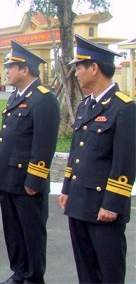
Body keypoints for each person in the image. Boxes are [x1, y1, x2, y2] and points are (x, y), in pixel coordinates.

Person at [58, 34, 135, 284]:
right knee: (86, 271)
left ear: (94, 68)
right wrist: (67, 188)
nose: (76, 73)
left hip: (104, 207)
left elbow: (126, 161)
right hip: (79, 202)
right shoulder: (85, 106)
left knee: (109, 273)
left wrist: (112, 204)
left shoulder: (124, 108)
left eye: (79, 68)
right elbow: (77, 153)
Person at [0, 40, 60, 284]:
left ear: (25, 70)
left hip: (26, 181)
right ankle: (19, 273)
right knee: (13, 232)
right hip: (8, 178)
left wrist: (35, 180)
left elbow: (44, 144)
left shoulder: (44, 99)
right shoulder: (16, 97)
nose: (6, 71)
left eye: (11, 66)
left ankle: (34, 278)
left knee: (32, 234)